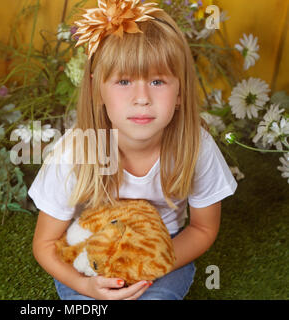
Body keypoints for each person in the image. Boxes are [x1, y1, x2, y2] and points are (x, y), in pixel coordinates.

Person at [28, 0, 237, 300]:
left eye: (157, 81)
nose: (142, 98)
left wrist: (146, 263)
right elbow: (45, 244)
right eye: (124, 81)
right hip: (91, 246)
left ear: (180, 91)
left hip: (162, 243)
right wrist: (87, 285)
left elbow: (203, 229)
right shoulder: (74, 152)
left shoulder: (196, 147)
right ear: (97, 89)